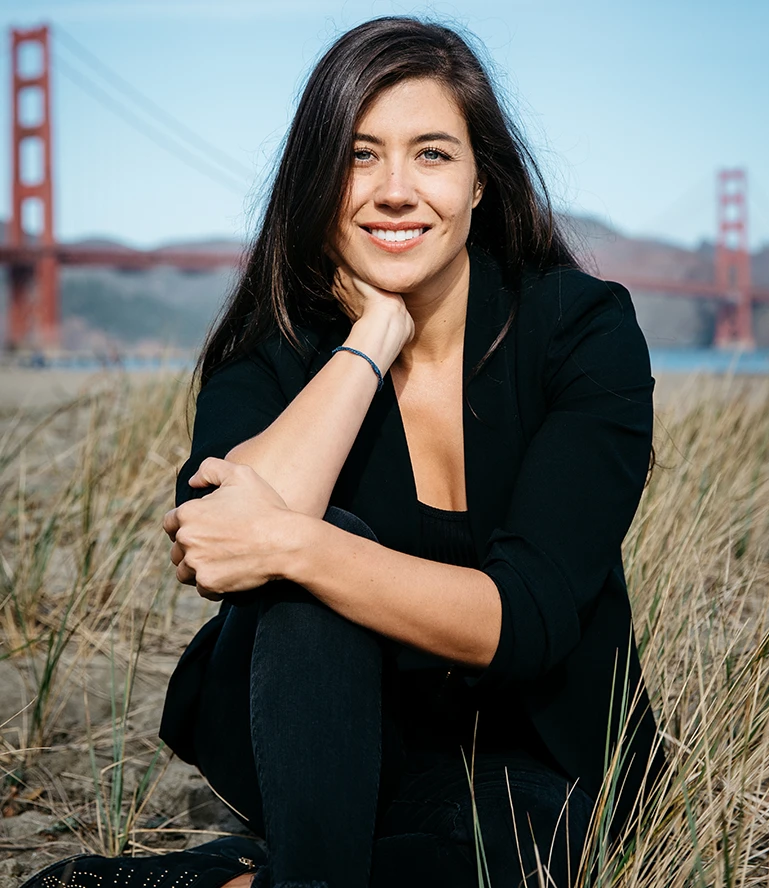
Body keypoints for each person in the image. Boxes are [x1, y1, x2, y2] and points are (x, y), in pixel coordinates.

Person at [20, 15, 668, 888]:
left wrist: (299, 542)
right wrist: (370, 340)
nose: (395, 190)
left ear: (481, 183)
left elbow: (527, 620)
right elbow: (219, 549)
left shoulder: (579, 331)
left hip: (538, 752)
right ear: (318, 180)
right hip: (326, 746)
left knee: (478, 856)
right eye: (361, 156)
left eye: (432, 154)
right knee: (312, 567)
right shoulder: (281, 342)